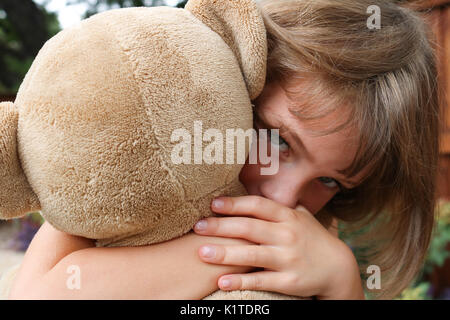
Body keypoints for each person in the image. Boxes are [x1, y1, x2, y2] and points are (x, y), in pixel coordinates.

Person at [8, 0, 440, 300]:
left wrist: (343, 282)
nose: (285, 199)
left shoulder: (315, 238)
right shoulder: (131, 178)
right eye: (277, 138)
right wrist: (247, 255)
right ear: (234, 81)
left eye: (330, 180)